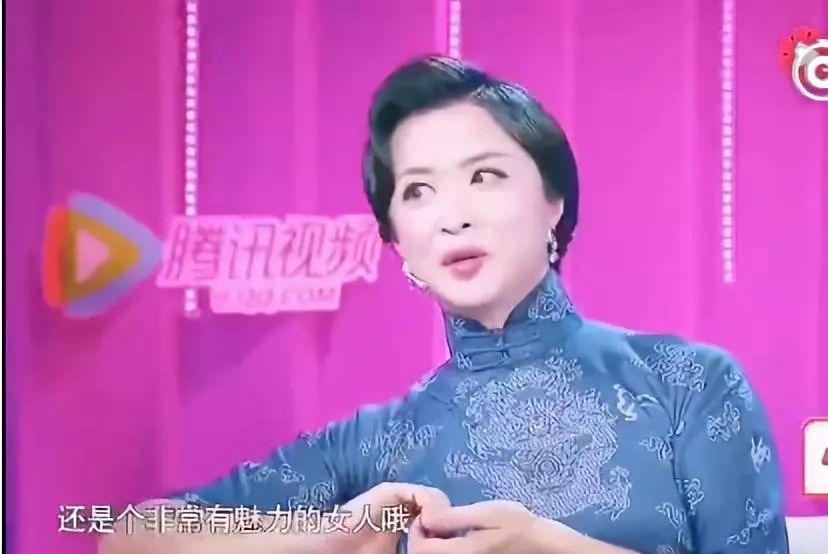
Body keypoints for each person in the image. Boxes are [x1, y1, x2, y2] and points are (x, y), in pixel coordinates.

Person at [100, 55, 789, 554]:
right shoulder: (379, 442)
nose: (451, 216)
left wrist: (551, 547)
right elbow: (126, 535)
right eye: (418, 191)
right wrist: (323, 537)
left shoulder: (688, 385)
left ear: (554, 201)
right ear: (398, 240)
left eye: (483, 176)